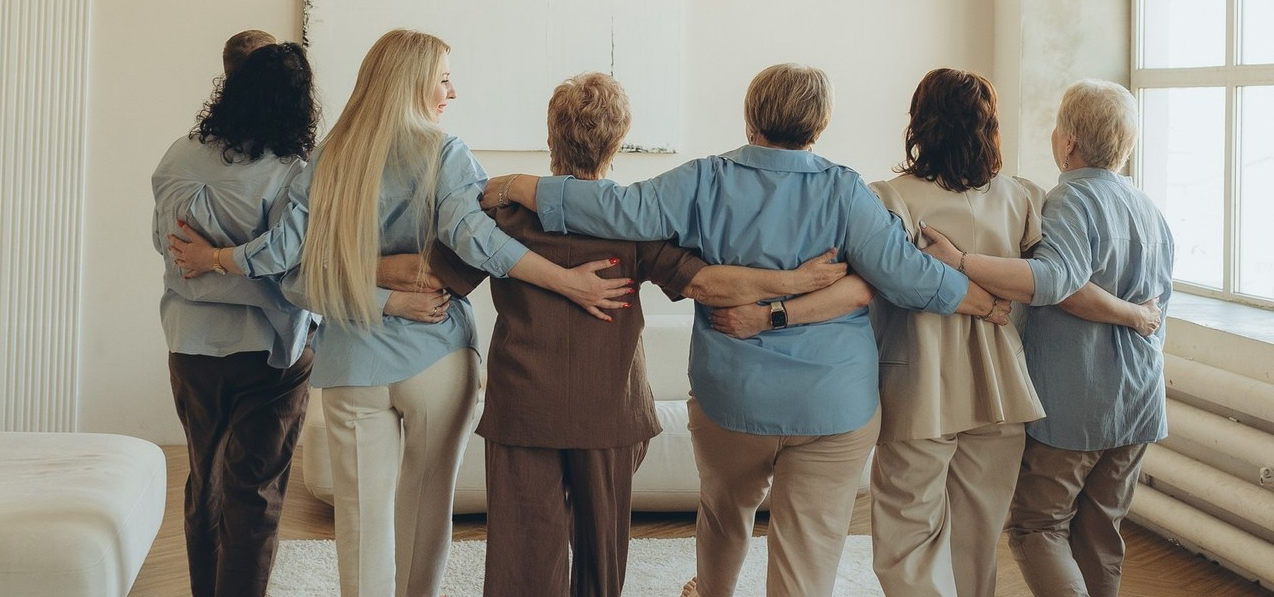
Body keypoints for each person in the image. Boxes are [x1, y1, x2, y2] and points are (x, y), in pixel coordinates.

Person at [484, 63, 1008, 597]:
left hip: (732, 399)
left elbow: (621, 208)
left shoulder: (705, 178)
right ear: (819, 124)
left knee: (724, 513)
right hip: (833, 406)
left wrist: (517, 185)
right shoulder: (846, 191)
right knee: (808, 555)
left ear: (750, 117)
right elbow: (909, 276)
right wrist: (984, 302)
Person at [168, 30, 636, 597]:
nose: (452, 91)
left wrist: (220, 258)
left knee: (361, 529)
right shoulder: (445, 153)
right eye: (443, 78)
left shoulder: (327, 157)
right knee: (426, 511)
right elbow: (477, 243)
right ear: (413, 81)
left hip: (351, 366)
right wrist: (565, 281)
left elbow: (290, 271)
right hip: (434, 356)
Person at [389, 72, 853, 597]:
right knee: (602, 559)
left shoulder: (504, 213)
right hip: (610, 410)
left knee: (523, 560)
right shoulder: (636, 219)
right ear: (620, 141)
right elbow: (707, 284)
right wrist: (792, 283)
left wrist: (351, 265)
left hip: (524, 407)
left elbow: (428, 274)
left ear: (550, 138)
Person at [713, 68, 1157, 597]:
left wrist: (771, 311)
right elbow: (1062, 284)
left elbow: (865, 287)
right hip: (1000, 392)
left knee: (907, 546)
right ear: (990, 129)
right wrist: (1129, 314)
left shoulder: (884, 198)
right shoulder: (1024, 198)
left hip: (917, 389)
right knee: (974, 546)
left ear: (919, 124)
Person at [920, 79, 1174, 597]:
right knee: (1101, 532)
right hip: (1140, 402)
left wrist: (961, 262)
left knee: (1038, 529)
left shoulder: (1071, 199)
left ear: (1070, 142)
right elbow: (1146, 305)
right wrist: (1130, 315)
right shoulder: (1150, 210)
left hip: (1077, 403)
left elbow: (1060, 284)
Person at [152, 39, 317, 597]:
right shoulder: (292, 173)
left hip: (191, 347)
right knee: (256, 493)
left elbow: (169, 252)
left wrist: (205, 265)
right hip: (269, 353)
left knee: (205, 482)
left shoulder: (177, 155)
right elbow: (288, 276)